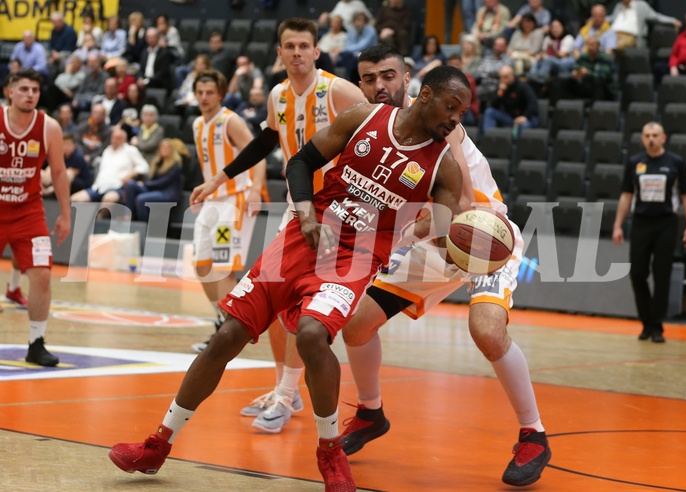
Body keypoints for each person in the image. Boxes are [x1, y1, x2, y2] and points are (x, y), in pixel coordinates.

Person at [108, 64, 471, 492]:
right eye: (451, 106)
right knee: (226, 336)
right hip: (302, 238)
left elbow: (447, 235)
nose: (455, 118)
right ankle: (158, 444)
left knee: (312, 335)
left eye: (462, 112)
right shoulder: (364, 117)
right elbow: (300, 162)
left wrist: (473, 248)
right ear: (425, 94)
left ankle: (330, 452)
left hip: (354, 259)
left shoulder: (445, 167)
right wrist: (305, 211)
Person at [341, 44, 552, 488]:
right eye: (370, 78)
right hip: (438, 239)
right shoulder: (371, 127)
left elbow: (449, 211)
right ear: (359, 84)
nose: (381, 86)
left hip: (483, 233)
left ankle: (534, 434)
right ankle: (370, 411)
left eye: (389, 76)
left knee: (487, 330)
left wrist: (407, 233)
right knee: (356, 323)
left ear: (412, 84)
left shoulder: (440, 123)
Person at [186, 18, 366, 434]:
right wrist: (219, 177)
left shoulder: (337, 90)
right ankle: (286, 391)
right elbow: (266, 141)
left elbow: (378, 133)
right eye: (290, 46)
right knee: (274, 302)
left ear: (317, 52)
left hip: (344, 216)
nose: (298, 52)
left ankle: (306, 397)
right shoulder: (278, 95)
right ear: (280, 53)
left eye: (305, 45)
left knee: (319, 320)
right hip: (297, 211)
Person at [187, 69, 267, 362]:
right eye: (200, 92)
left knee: (223, 267)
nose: (205, 97)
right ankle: (223, 322)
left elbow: (256, 152)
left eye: (210, 92)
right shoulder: (197, 124)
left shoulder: (229, 120)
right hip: (213, 201)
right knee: (201, 266)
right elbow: (212, 166)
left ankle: (232, 333)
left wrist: (257, 189)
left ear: (220, 94)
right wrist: (204, 187)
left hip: (235, 201)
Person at [0, 68, 72, 366]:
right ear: (10, 91)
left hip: (29, 213)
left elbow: (57, 171)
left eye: (35, 90)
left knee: (42, 275)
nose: (30, 94)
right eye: (24, 89)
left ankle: (36, 342)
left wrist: (66, 214)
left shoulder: (49, 127)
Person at [612, 122, 686, 343]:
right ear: (642, 138)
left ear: (663, 138)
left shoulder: (676, 163)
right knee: (638, 273)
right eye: (647, 135)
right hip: (641, 222)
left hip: (666, 224)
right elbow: (626, 195)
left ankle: (656, 326)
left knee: (662, 274)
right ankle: (646, 321)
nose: (651, 139)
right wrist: (618, 224)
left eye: (655, 135)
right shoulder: (635, 162)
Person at [71, 127, 150, 208]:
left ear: (124, 140)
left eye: (118, 138)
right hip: (99, 187)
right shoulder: (107, 150)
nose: (115, 140)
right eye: (113, 137)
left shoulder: (130, 150)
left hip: (118, 187)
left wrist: (130, 175)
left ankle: (99, 219)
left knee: (108, 199)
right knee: (74, 199)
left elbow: (145, 166)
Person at [122, 138, 184, 221]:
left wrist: (145, 184)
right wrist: (142, 183)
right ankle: (128, 215)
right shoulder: (156, 163)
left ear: (172, 150)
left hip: (166, 193)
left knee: (141, 199)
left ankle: (143, 227)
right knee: (131, 185)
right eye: (163, 146)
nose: (165, 148)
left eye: (168, 147)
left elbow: (164, 182)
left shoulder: (175, 165)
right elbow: (150, 179)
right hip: (154, 190)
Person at [555, 36, 616, 102]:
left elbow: (604, 76)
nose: (590, 47)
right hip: (585, 85)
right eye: (588, 45)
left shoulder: (605, 58)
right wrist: (575, 73)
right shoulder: (584, 56)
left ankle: (595, 109)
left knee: (597, 83)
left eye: (592, 45)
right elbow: (576, 67)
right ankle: (566, 106)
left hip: (602, 88)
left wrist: (588, 73)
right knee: (562, 80)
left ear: (599, 46)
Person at [482, 65, 538, 135]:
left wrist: (525, 116)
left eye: (506, 77)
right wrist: (499, 95)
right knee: (489, 112)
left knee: (524, 125)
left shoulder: (523, 87)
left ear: (512, 76)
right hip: (510, 117)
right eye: (501, 77)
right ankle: (489, 139)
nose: (503, 80)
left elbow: (533, 104)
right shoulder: (501, 88)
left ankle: (519, 145)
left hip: (526, 117)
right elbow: (492, 105)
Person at [607, 0, 681, 51]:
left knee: (613, 46)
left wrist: (672, 21)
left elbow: (656, 17)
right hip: (613, 34)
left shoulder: (641, 5)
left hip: (630, 37)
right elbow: (612, 18)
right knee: (598, 43)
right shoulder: (619, 6)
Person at [662, 8, 686, 89]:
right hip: (681, 68)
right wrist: (673, 67)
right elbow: (674, 54)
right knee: (659, 67)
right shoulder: (681, 36)